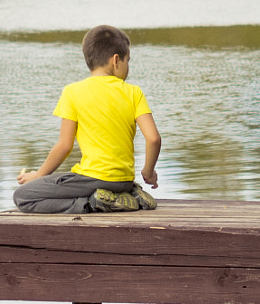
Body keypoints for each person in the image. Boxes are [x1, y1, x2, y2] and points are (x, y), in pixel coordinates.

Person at [13, 24, 161, 214]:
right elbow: (154, 138)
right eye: (128, 61)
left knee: (23, 196)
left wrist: (38, 175)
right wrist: (148, 172)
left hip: (92, 179)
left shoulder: (72, 92)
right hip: (124, 180)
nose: (128, 66)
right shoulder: (134, 92)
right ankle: (129, 194)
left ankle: (92, 203)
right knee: (67, 181)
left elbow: (64, 146)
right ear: (116, 60)